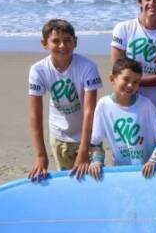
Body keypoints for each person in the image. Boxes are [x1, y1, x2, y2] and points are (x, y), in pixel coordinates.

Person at [28, 19, 103, 180]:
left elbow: (90, 111)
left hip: (88, 136)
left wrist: (83, 153)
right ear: (44, 43)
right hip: (59, 135)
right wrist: (41, 155)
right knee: (69, 180)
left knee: (93, 180)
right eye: (56, 41)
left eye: (67, 40)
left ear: (75, 42)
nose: (62, 46)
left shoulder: (88, 67)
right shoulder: (38, 70)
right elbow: (35, 114)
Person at [88, 58, 156, 179]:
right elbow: (96, 143)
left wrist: (153, 161)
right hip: (121, 171)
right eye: (126, 79)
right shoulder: (103, 105)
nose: (130, 85)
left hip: (148, 172)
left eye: (136, 82)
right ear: (112, 79)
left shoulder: (146, 105)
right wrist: (97, 161)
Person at [110, 0, 156, 123]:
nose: (151, 3)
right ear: (140, 2)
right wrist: (132, 82)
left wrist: (130, 81)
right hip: (125, 103)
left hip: (154, 105)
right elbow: (118, 69)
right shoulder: (123, 28)